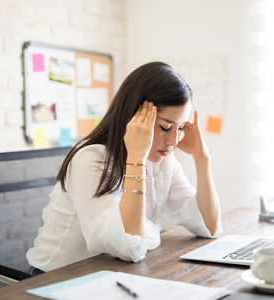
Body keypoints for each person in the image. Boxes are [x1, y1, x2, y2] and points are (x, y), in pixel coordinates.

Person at [26, 62, 222, 275]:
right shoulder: (91, 159)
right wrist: (136, 158)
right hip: (56, 278)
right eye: (165, 127)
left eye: (181, 128)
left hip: (114, 275)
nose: (174, 140)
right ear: (134, 118)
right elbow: (129, 246)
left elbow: (208, 226)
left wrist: (202, 158)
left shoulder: (161, 160)